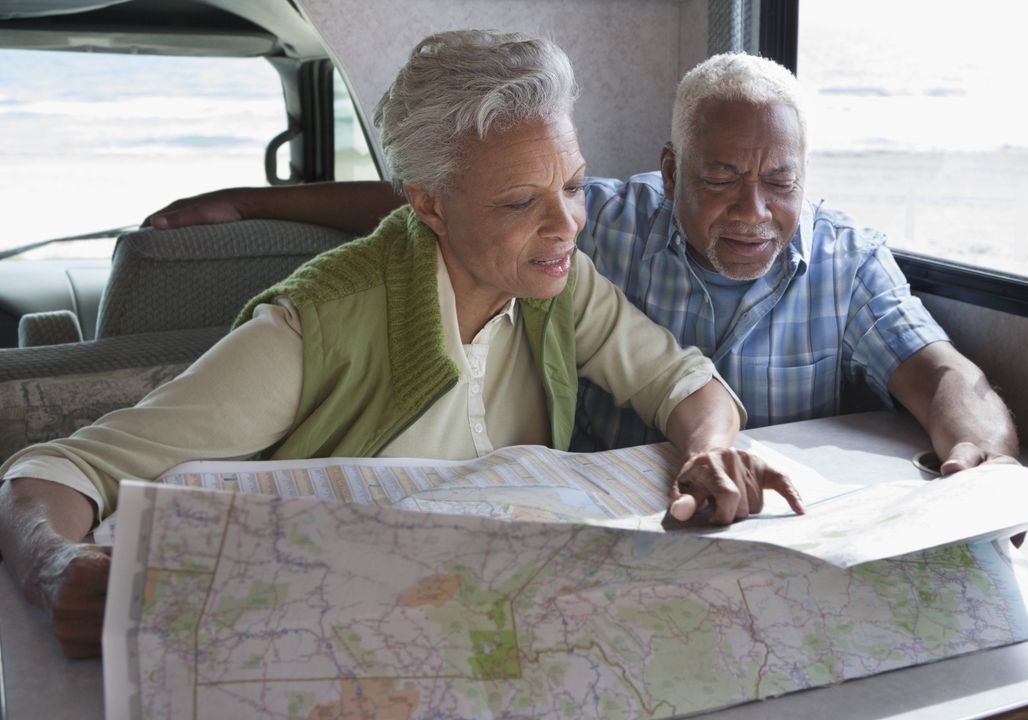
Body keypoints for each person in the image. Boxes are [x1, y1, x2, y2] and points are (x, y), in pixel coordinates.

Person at [0, 31, 803, 659]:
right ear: (429, 203)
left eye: (572, 185)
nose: (566, 226)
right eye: (524, 200)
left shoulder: (560, 285)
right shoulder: (310, 331)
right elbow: (52, 471)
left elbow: (683, 382)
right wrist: (49, 566)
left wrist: (712, 450)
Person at [147, 52, 1019, 475]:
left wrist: (985, 466)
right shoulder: (598, 223)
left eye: (780, 183)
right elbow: (444, 206)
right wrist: (253, 201)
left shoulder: (845, 258)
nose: (755, 211)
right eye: (721, 178)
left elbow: (942, 372)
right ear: (670, 171)